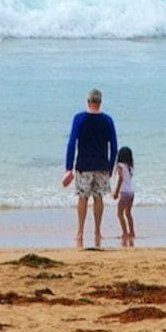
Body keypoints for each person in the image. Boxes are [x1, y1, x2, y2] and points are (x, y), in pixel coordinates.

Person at [61, 90, 120, 249]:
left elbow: (72, 143)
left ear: (88, 101)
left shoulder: (79, 119)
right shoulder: (108, 120)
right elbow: (114, 146)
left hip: (84, 165)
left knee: (82, 198)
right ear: (100, 102)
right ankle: (97, 232)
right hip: (101, 165)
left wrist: (68, 167)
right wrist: (110, 166)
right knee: (98, 198)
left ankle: (80, 232)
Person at [112, 141, 136, 247]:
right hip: (131, 192)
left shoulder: (119, 165)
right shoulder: (129, 167)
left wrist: (116, 192)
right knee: (128, 214)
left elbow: (120, 178)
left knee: (119, 213)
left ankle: (125, 233)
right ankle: (132, 232)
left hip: (124, 193)